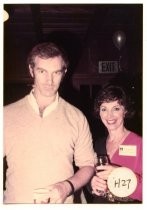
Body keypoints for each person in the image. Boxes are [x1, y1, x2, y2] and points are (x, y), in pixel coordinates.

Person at [3, 42, 96, 204]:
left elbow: (88, 165)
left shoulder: (77, 117)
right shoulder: (5, 114)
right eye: (42, 71)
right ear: (31, 70)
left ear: (64, 72)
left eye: (56, 73)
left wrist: (67, 187)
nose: (49, 80)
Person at [90, 84, 142, 203]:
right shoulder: (98, 144)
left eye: (116, 108)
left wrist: (118, 174)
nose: (109, 115)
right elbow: (90, 174)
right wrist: (92, 184)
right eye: (104, 109)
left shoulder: (140, 144)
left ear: (125, 111)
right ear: (99, 113)